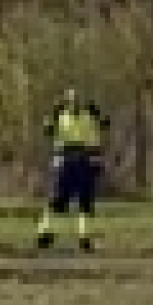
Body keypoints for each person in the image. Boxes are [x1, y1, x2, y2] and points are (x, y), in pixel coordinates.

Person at [34, 88, 108, 250]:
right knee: (57, 201)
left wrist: (100, 116)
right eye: (71, 101)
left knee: (85, 202)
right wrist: (51, 117)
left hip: (84, 161)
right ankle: (45, 233)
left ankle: (84, 237)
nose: (74, 104)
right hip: (65, 161)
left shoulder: (89, 116)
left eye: (76, 101)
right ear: (66, 102)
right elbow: (47, 130)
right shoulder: (60, 116)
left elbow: (103, 126)